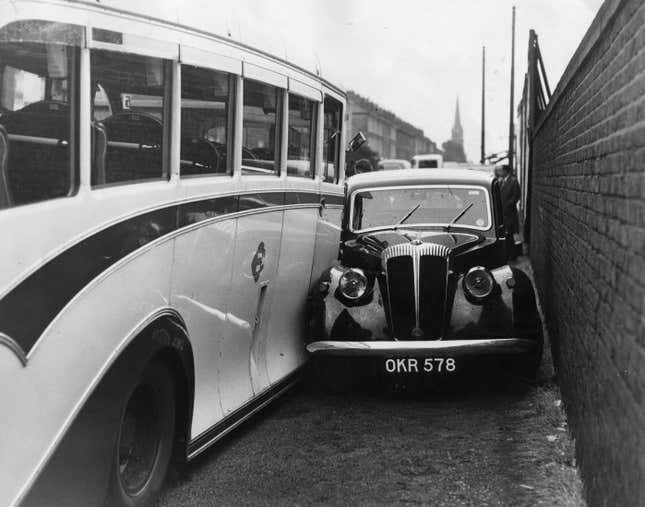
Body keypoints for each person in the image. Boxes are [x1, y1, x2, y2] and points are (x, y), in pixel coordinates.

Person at [496, 164, 521, 259]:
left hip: (509, 213)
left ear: (506, 171)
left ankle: (512, 255)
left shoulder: (513, 181)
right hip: (502, 213)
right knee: (504, 234)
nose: (499, 173)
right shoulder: (500, 181)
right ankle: (506, 254)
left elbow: (516, 195)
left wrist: (508, 204)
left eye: (501, 171)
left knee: (510, 234)